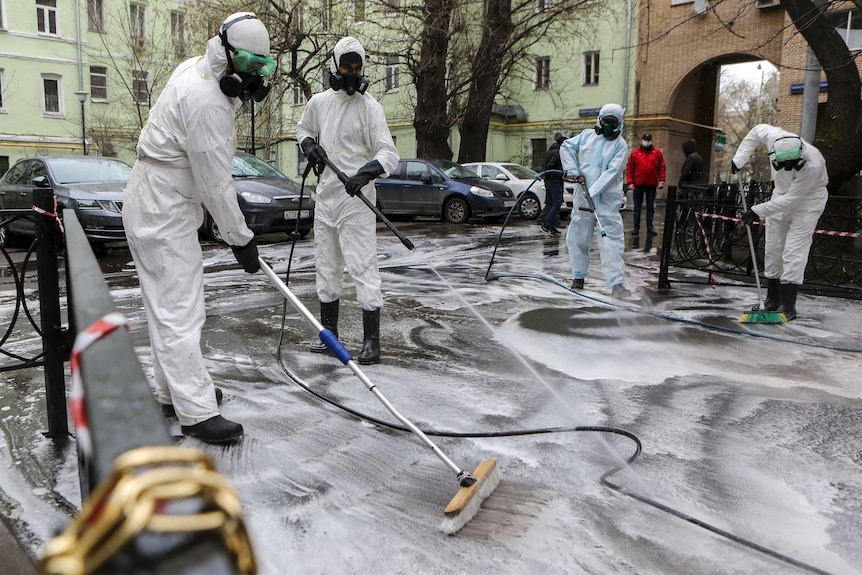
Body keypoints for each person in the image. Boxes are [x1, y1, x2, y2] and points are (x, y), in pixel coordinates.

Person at [122, 13, 275, 443]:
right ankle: (197, 413)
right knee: (179, 310)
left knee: (166, 307)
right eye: (247, 64)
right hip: (160, 208)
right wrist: (241, 239)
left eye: (261, 68)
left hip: (159, 199)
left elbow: (207, 177)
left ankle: (173, 392)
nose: (252, 76)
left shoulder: (194, 66)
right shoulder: (206, 100)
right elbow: (215, 183)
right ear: (226, 54)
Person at [296, 37, 399, 364]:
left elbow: (388, 152)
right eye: (346, 66)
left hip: (357, 201)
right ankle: (329, 336)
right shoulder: (320, 103)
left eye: (358, 67)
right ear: (335, 66)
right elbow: (303, 130)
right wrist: (310, 146)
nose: (353, 73)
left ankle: (372, 342)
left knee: (362, 266)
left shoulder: (371, 108)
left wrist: (365, 173)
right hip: (326, 198)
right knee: (327, 267)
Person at [731, 124, 828, 320]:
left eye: (793, 165)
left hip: (807, 202)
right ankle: (772, 300)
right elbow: (756, 131)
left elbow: (793, 199)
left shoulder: (814, 164)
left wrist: (757, 211)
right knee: (773, 248)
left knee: (793, 251)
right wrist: (739, 159)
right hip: (780, 196)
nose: (788, 169)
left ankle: (788, 306)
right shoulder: (774, 137)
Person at [560, 103, 631, 298]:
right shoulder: (586, 136)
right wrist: (573, 171)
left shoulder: (620, 145)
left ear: (619, 123)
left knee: (611, 242)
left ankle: (617, 284)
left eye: (612, 122)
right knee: (578, 239)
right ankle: (578, 276)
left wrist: (592, 191)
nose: (607, 125)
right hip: (582, 199)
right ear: (599, 120)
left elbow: (611, 173)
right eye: (605, 121)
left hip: (606, 202)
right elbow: (566, 146)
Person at [625, 132, 665, 235]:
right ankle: (636, 227)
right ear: (642, 140)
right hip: (638, 184)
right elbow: (630, 168)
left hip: (651, 184)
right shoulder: (635, 153)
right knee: (637, 207)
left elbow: (661, 167)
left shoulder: (657, 153)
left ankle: (649, 227)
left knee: (650, 207)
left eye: (648, 140)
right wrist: (630, 182)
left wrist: (661, 180)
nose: (646, 142)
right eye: (645, 140)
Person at [539, 132, 566, 236]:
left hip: (548, 181)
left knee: (550, 204)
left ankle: (552, 227)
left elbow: (545, 165)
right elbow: (552, 165)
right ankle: (546, 225)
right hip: (555, 180)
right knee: (556, 203)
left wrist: (545, 172)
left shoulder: (549, 152)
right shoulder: (558, 153)